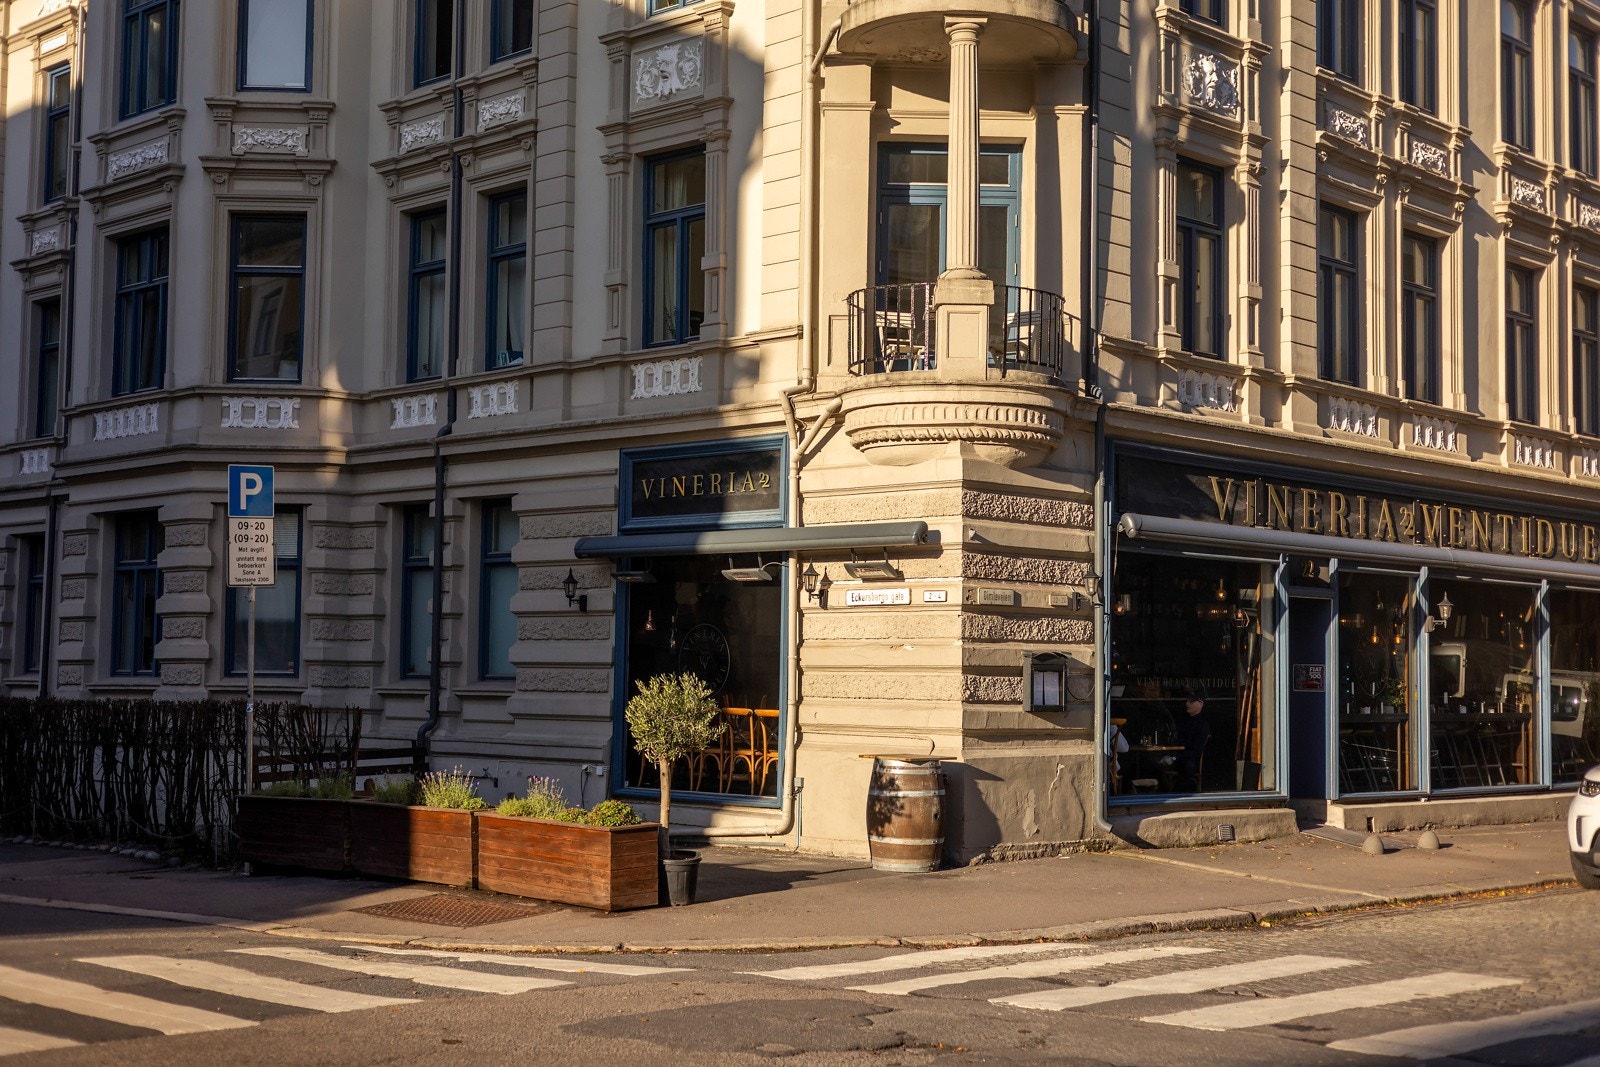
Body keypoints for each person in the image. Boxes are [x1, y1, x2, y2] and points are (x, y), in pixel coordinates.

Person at [1173, 688, 1210, 790]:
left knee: (1188, 768)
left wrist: (1174, 758)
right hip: (1179, 758)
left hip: (1190, 762)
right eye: (1187, 700)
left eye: (1191, 701)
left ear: (1201, 704)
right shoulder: (1184, 721)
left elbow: (1196, 752)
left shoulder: (1202, 725)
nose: (1187, 703)